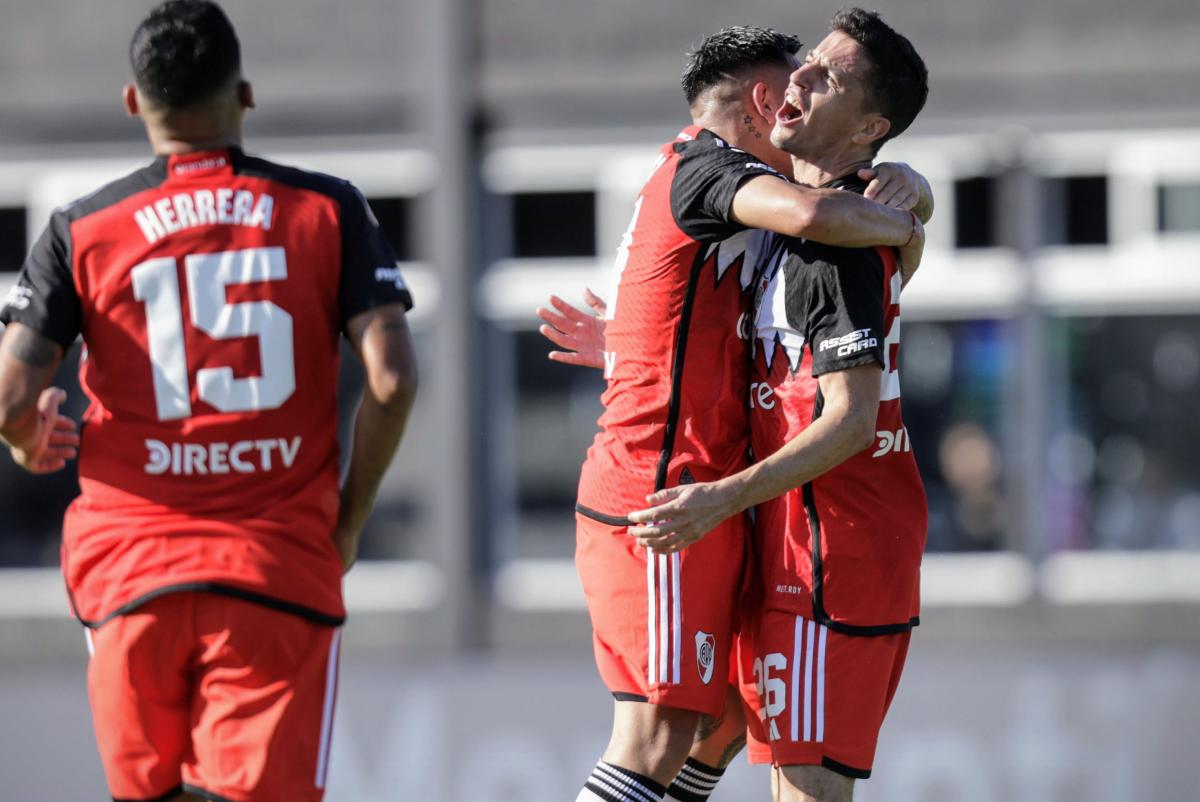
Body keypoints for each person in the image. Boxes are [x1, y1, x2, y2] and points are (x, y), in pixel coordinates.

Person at [0, 2, 417, 801]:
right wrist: (351, 519)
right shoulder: (327, 210)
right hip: (276, 570)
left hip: (129, 573)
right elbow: (393, 380)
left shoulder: (79, 229)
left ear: (133, 101)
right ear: (246, 94)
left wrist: (25, 440)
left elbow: (13, 394)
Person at [552, 24, 931, 802]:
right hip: (694, 502)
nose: (801, 83)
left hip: (820, 548)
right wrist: (910, 208)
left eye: (826, 75)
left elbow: (852, 412)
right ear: (761, 98)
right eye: (805, 68)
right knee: (678, 733)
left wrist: (906, 197)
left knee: (727, 734)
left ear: (868, 126)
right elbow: (835, 229)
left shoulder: (817, 228)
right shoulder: (776, 206)